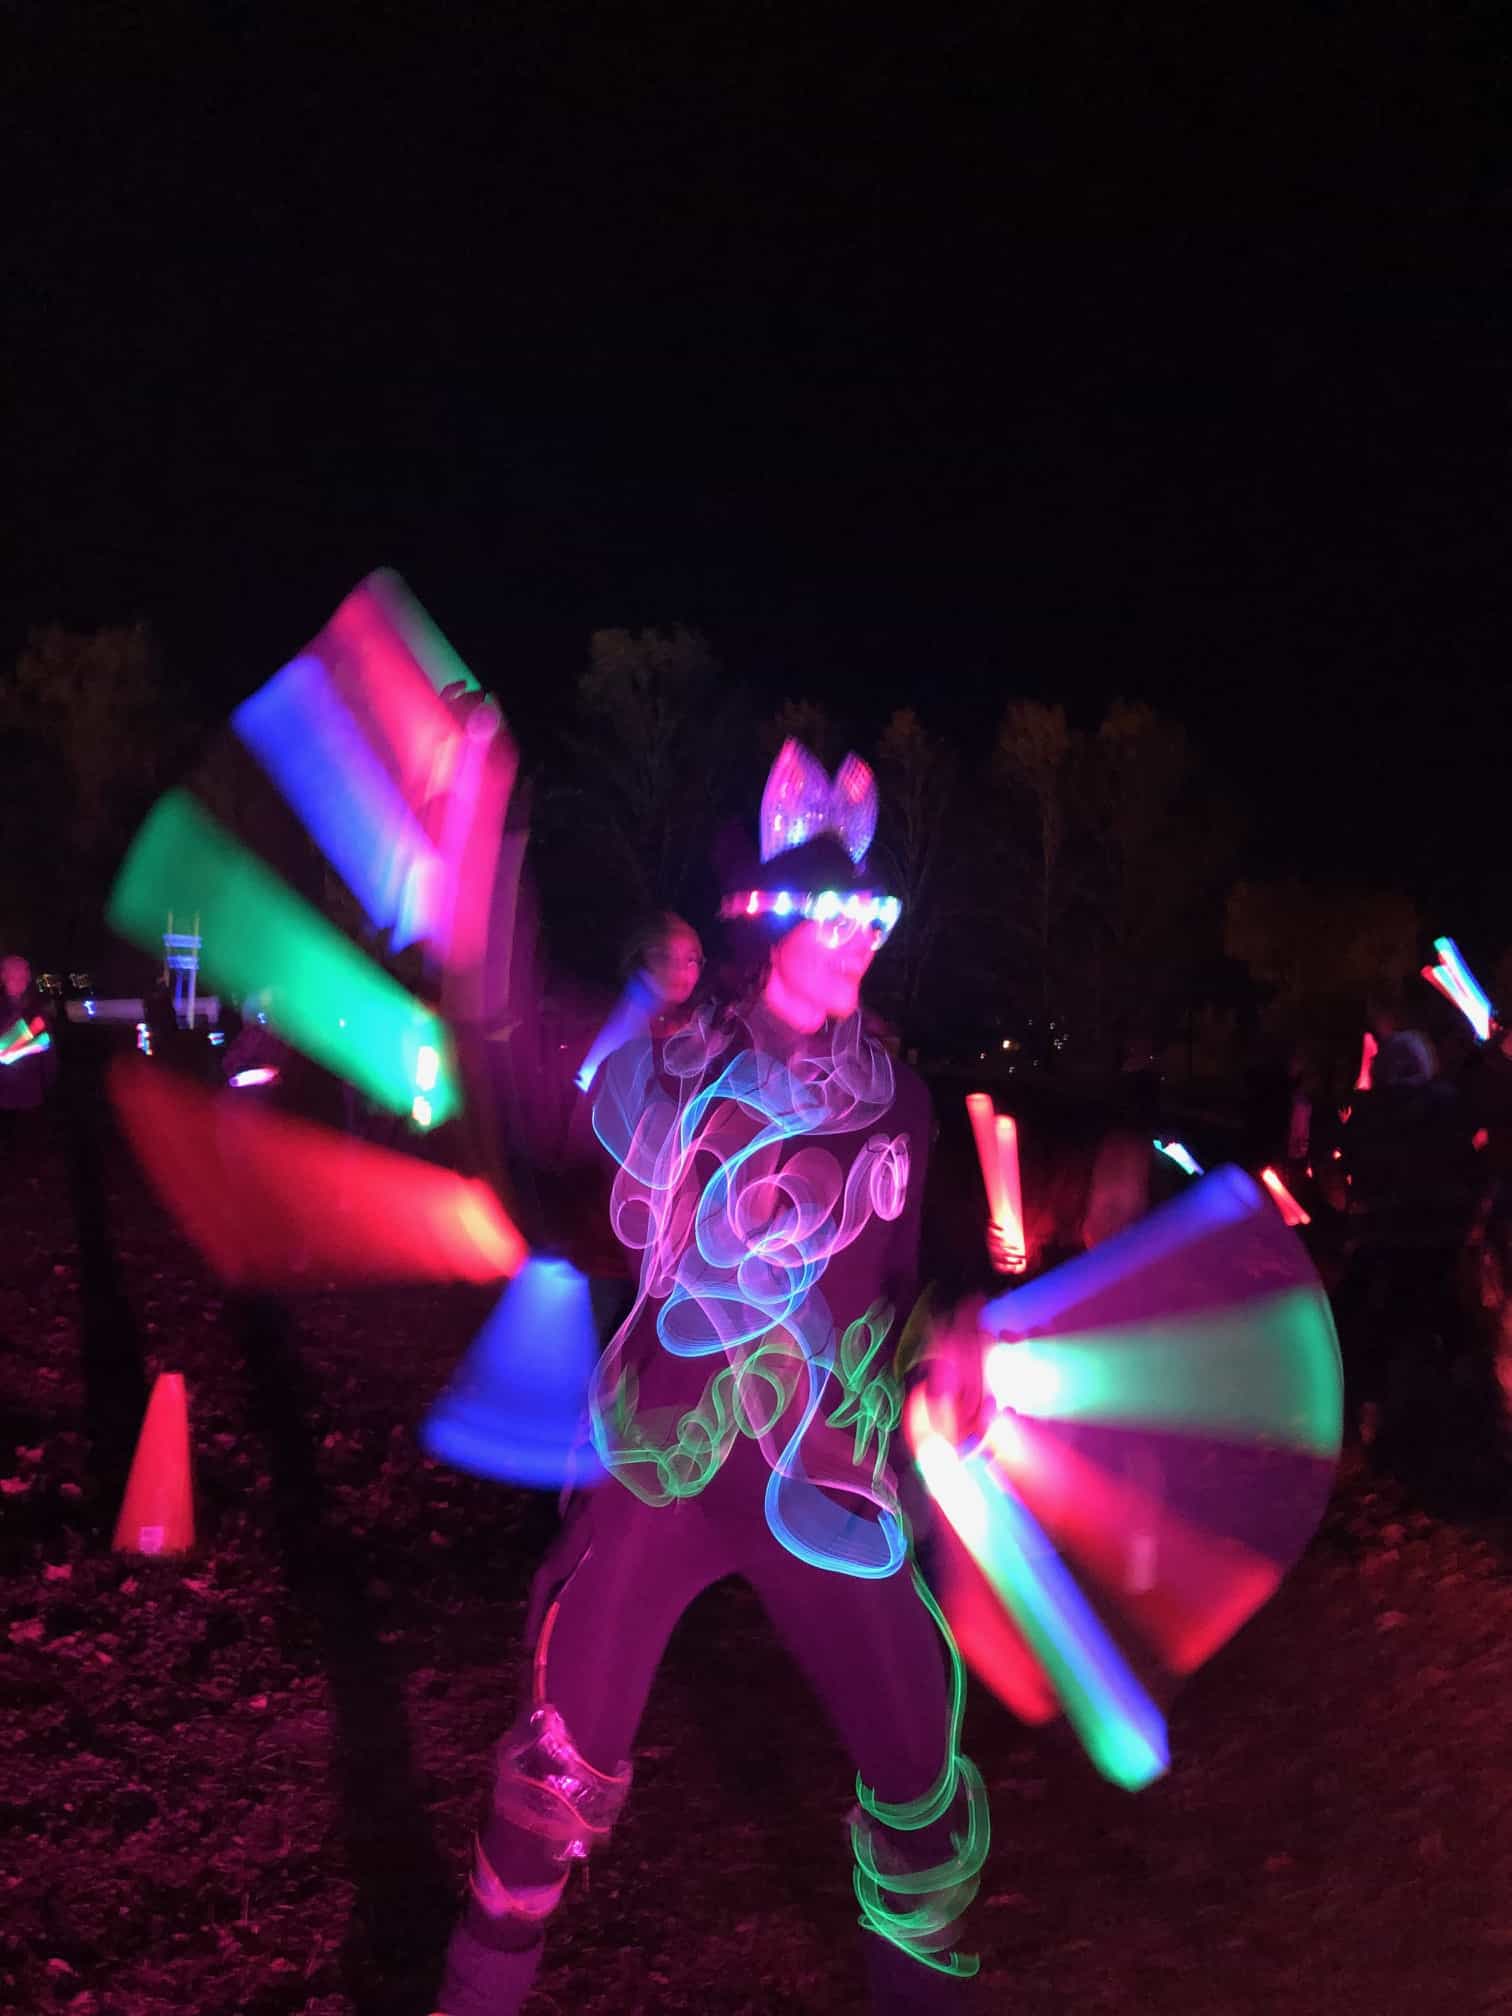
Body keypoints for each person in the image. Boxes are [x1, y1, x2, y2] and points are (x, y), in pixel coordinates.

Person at [435, 742, 990, 2015]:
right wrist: (482, 849)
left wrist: (949, 1343)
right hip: (665, 1469)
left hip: (829, 1489)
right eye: (834, 913)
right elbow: (518, 1065)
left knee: (922, 1788)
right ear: (772, 922)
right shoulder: (669, 1070)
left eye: (874, 915)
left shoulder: (902, 1104)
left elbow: (902, 1291)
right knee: (550, 1783)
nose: (860, 937)